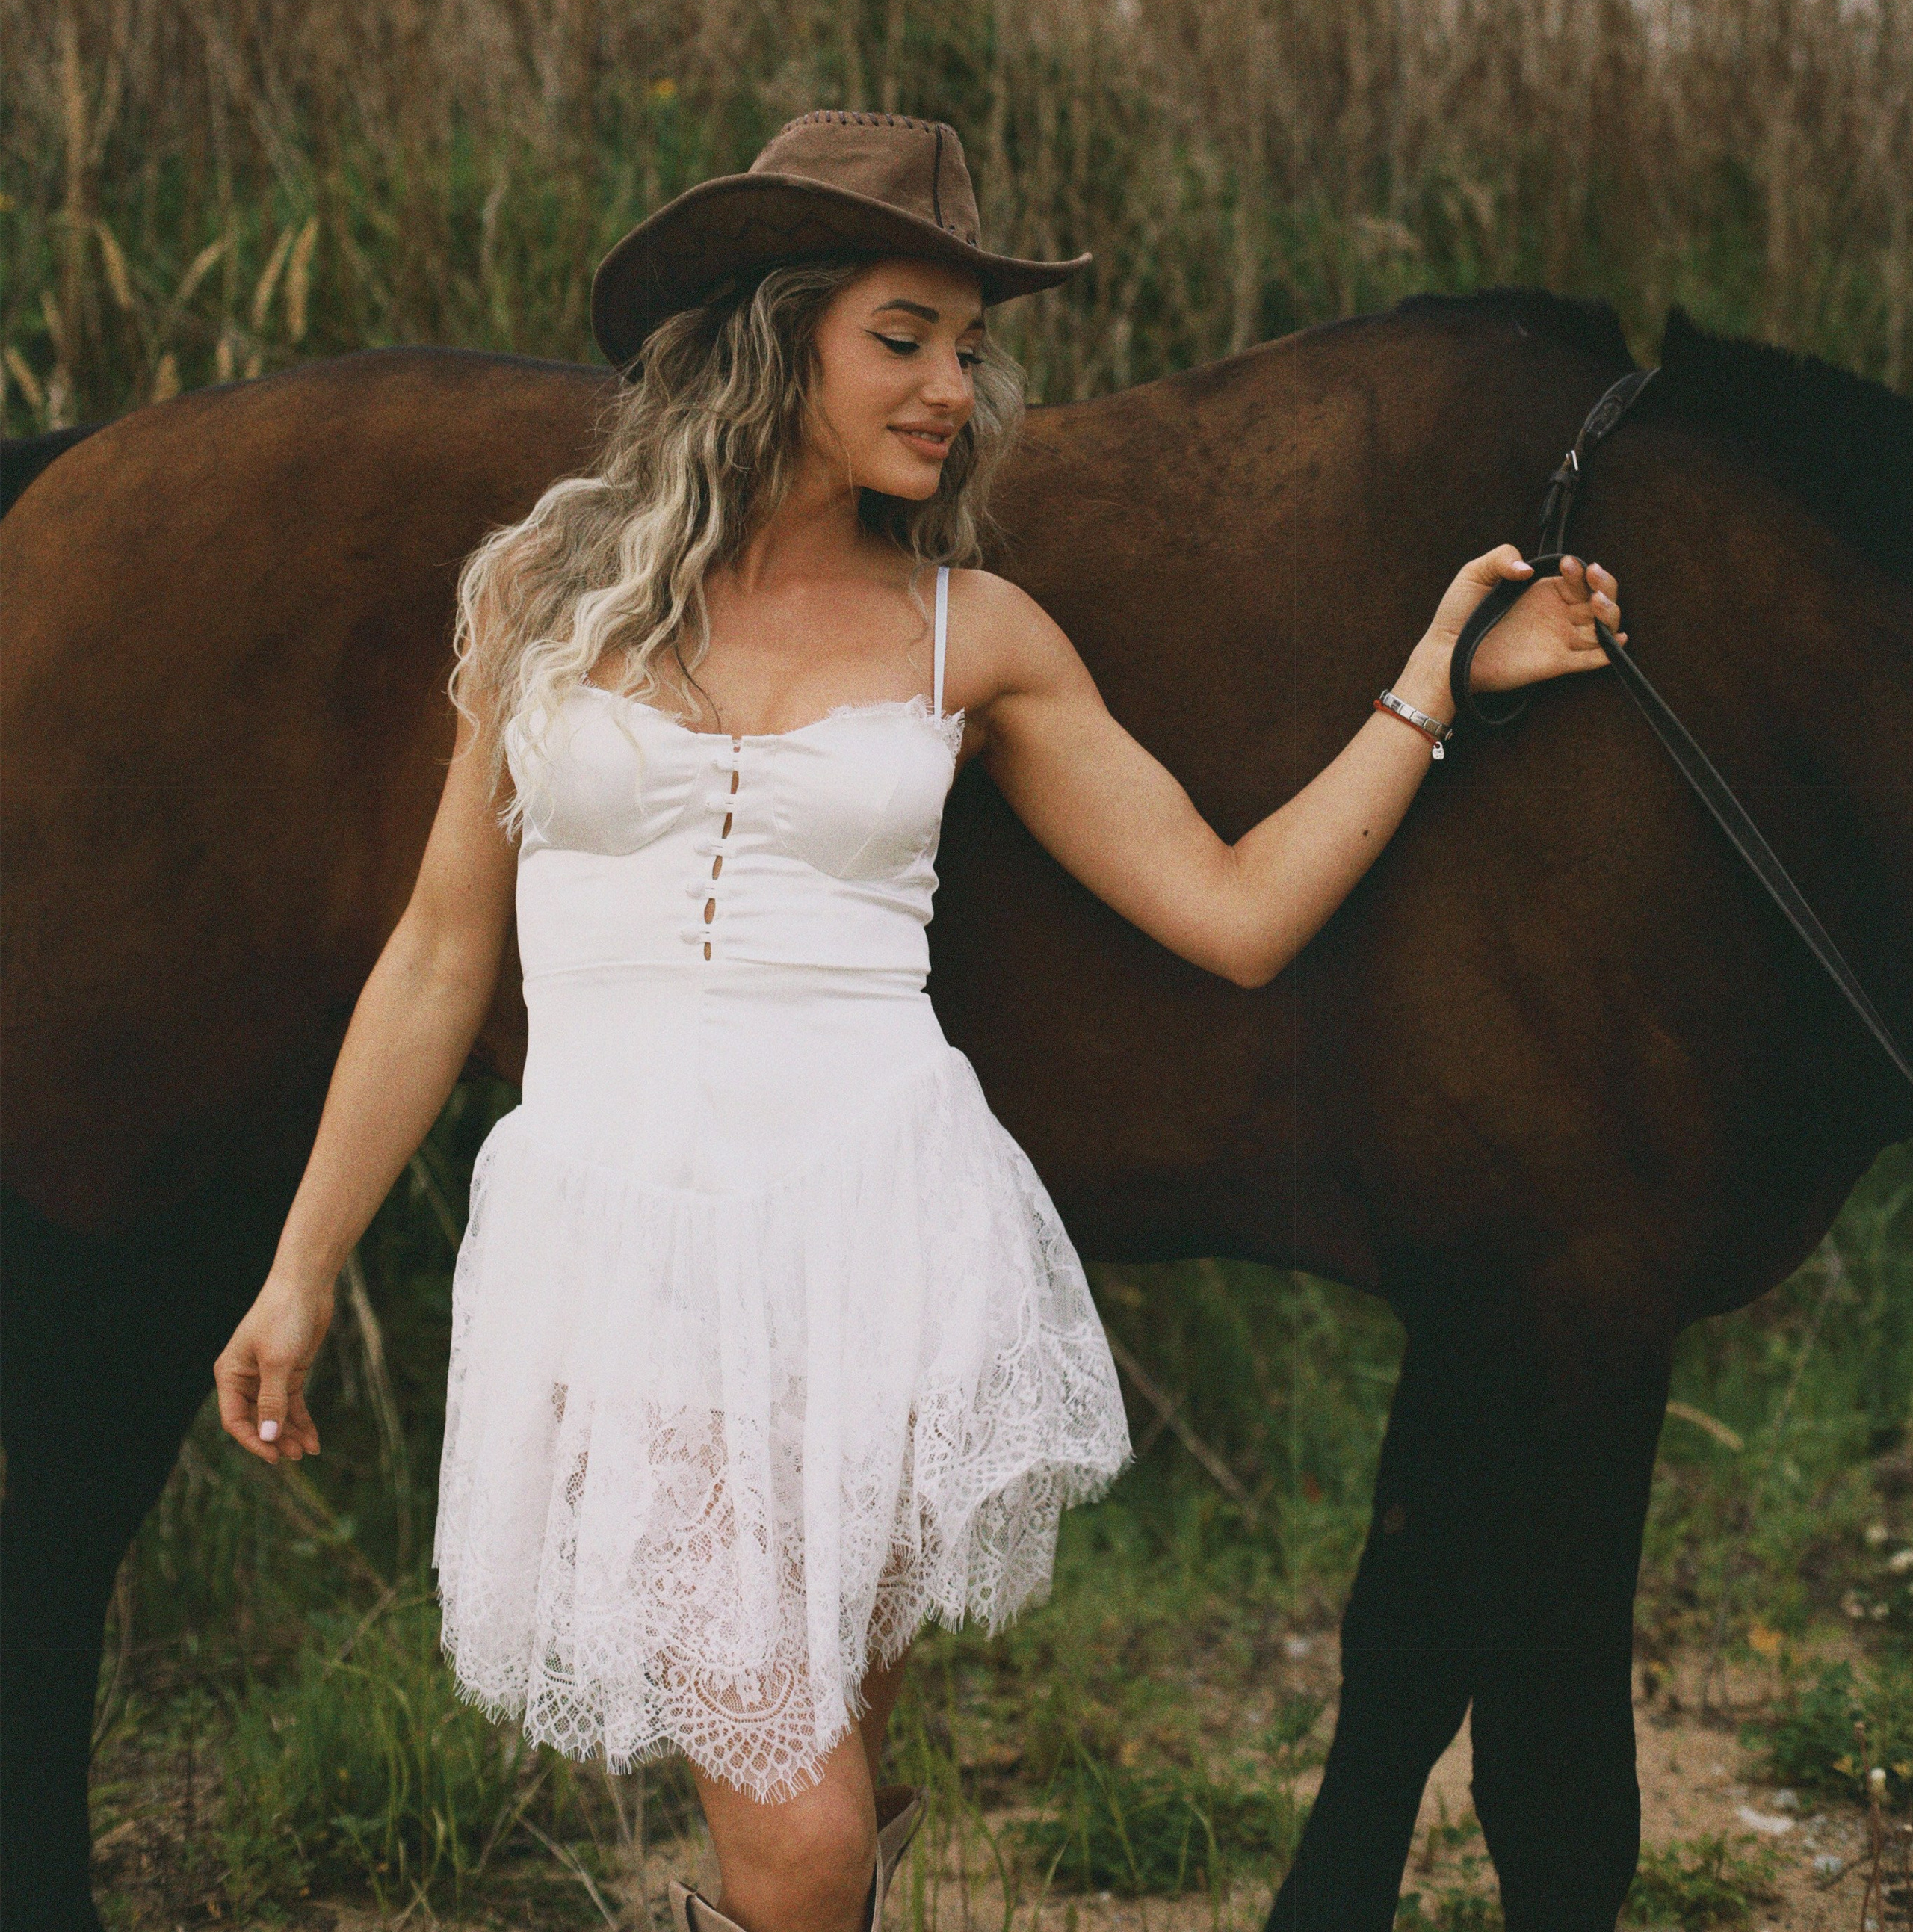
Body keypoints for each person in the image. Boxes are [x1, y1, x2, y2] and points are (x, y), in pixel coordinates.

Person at [215, 110, 1625, 1932]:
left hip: (882, 1238)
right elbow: (432, 952)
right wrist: (303, 1261)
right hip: (620, 1244)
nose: (957, 384)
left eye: (970, 345)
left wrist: (1433, 677)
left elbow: (1232, 909)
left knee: (842, 1792)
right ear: (766, 333)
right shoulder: (540, 595)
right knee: (797, 1841)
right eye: (905, 336)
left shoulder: (980, 635)